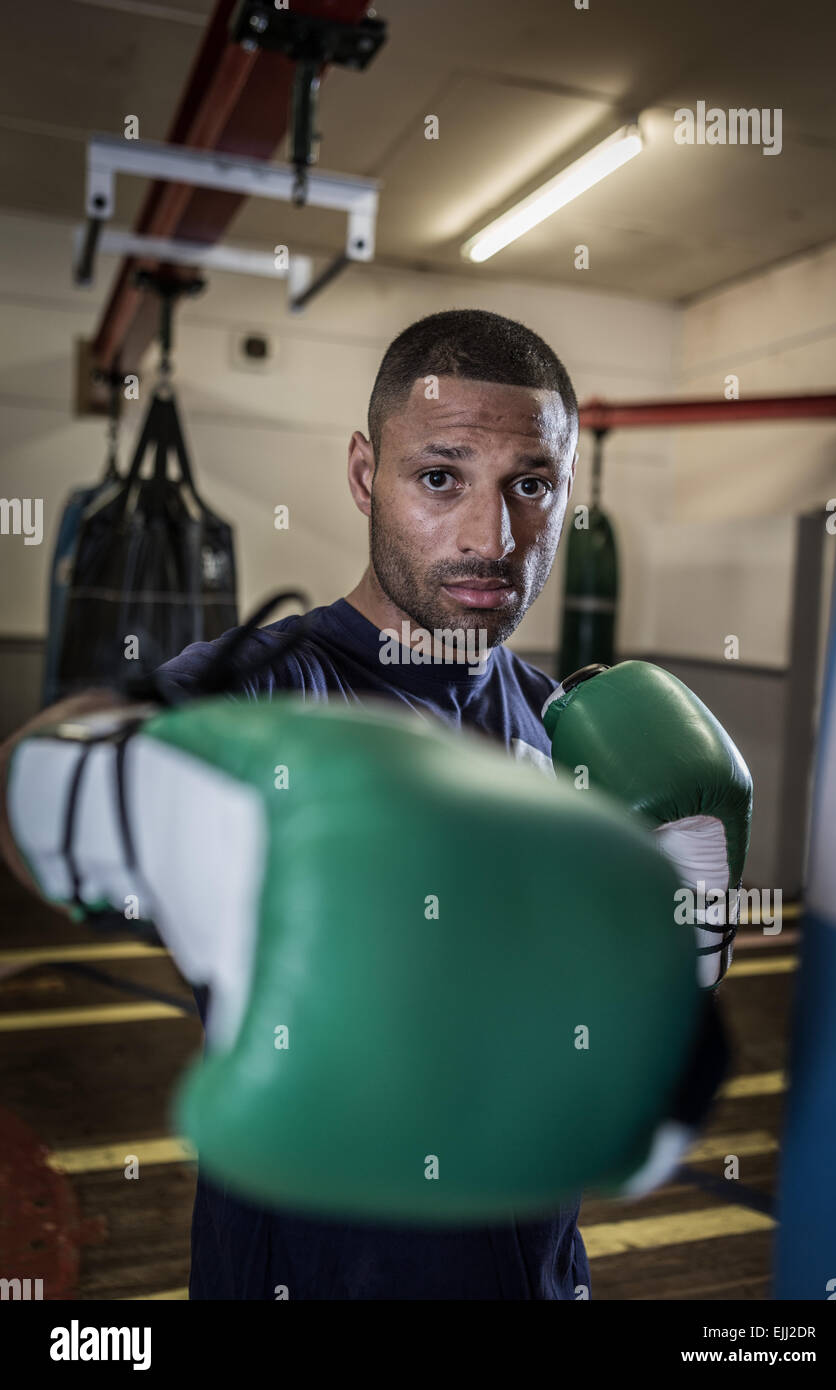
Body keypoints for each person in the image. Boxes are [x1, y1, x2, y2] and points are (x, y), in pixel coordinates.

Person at [0, 308, 588, 1299]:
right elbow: (28, 788)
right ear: (367, 475)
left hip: (531, 1273)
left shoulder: (562, 722)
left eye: (529, 484)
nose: (492, 536)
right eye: (439, 477)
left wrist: (685, 931)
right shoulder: (269, 689)